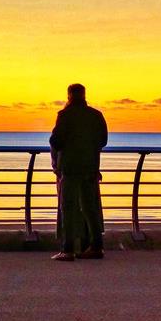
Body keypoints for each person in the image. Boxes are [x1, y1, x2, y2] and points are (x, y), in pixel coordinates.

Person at [49, 84, 108, 261]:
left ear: (69, 96)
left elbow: (56, 141)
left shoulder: (65, 115)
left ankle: (67, 249)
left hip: (70, 168)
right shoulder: (96, 115)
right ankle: (96, 246)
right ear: (84, 95)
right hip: (90, 167)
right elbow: (103, 141)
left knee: (68, 207)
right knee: (90, 208)